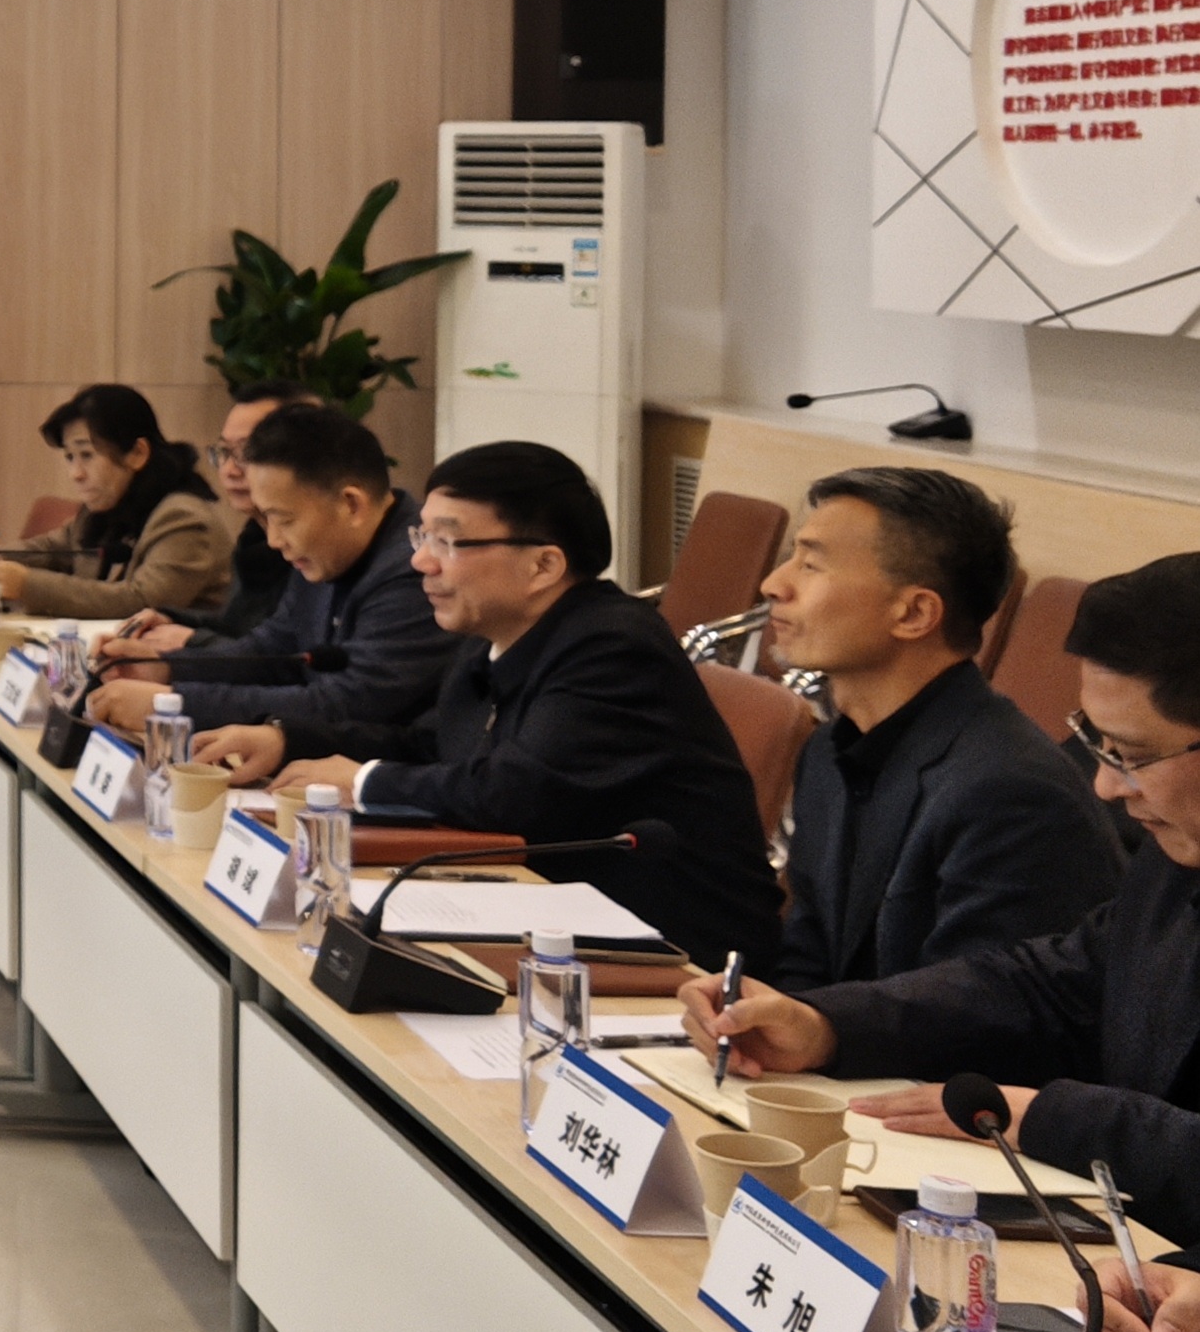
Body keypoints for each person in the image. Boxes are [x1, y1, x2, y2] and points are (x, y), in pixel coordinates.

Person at [687, 553, 1200, 1243]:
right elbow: (1052, 985)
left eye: (1132, 755)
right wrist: (824, 1026)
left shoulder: (1013, 786)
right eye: (1097, 746)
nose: (1107, 787)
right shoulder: (1175, 861)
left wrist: (1053, 1119)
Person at [197, 440, 781, 972]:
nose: (422, 562)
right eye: (422, 537)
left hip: (681, 956)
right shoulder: (498, 635)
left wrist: (363, 780)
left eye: (448, 542)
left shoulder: (614, 647)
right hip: (554, 921)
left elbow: (513, 793)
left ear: (543, 565)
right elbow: (434, 745)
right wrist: (288, 739)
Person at [763, 466, 1120, 988]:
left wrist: (811, 1023)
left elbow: (979, 1009)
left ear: (914, 613)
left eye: (811, 565)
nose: (773, 584)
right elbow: (808, 956)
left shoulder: (1010, 792)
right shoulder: (827, 751)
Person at [85, 405, 455, 738]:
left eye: (284, 520)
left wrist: (173, 702)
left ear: (351, 504)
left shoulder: (416, 572)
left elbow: (346, 704)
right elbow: (271, 652)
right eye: (265, 519)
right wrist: (164, 668)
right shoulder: (327, 551)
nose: (275, 540)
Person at [0, 384, 230, 620]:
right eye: (70, 457)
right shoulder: (106, 507)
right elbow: (55, 549)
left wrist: (25, 584)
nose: (75, 474)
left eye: (87, 455)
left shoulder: (184, 519)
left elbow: (141, 601)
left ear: (137, 453)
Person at [179, 381, 320, 637]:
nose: (229, 470)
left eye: (247, 452)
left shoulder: (316, 549)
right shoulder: (254, 538)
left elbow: (281, 649)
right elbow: (239, 626)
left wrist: (190, 640)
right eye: (224, 451)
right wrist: (172, 619)